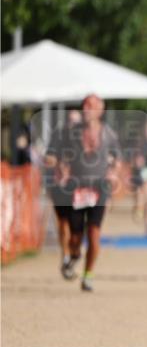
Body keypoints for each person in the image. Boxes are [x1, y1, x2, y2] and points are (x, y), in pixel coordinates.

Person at [45, 94, 121, 292]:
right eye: (85, 105)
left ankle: (88, 275)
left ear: (100, 110)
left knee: (94, 234)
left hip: (99, 188)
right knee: (75, 237)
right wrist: (58, 164)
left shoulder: (109, 134)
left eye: (92, 106)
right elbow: (54, 155)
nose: (87, 109)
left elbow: (118, 159)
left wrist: (113, 173)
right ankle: (75, 255)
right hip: (76, 189)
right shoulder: (71, 133)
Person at [44, 109, 81, 279]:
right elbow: (48, 158)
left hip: (79, 189)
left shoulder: (84, 141)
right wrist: (57, 161)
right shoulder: (58, 138)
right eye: (70, 121)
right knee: (63, 224)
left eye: (76, 122)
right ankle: (65, 257)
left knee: (77, 229)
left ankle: (74, 254)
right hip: (60, 187)